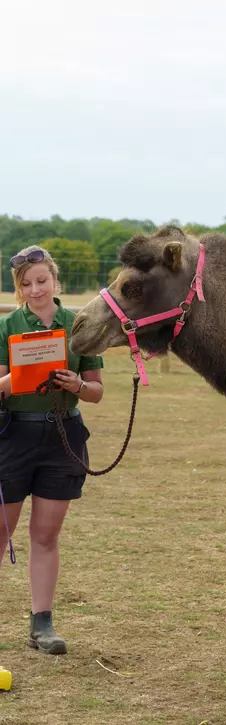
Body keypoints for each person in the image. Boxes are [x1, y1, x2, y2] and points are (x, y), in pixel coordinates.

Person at [0, 245, 104, 655]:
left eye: (42, 280)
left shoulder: (79, 326)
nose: (35, 289)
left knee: (45, 535)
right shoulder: (7, 326)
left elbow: (96, 391)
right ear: (19, 288)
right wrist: (20, 376)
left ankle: (41, 625)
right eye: (26, 284)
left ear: (55, 280)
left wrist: (75, 384)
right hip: (14, 439)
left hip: (63, 438)